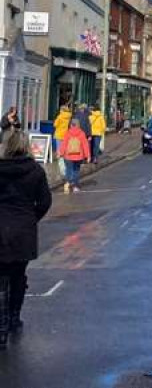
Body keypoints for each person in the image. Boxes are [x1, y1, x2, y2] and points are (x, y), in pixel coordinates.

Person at [0, 130, 52, 346]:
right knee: (18, 276)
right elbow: (45, 202)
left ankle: (1, 326)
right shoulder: (35, 171)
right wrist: (31, 218)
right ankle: (13, 317)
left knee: (1, 277)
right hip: (23, 229)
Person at [58, 119, 90, 194]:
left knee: (68, 170)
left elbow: (64, 144)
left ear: (71, 125)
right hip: (78, 156)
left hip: (68, 156)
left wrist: (60, 153)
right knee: (76, 171)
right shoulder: (82, 133)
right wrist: (88, 156)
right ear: (78, 125)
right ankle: (75, 187)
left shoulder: (67, 133)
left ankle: (67, 184)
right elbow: (85, 145)